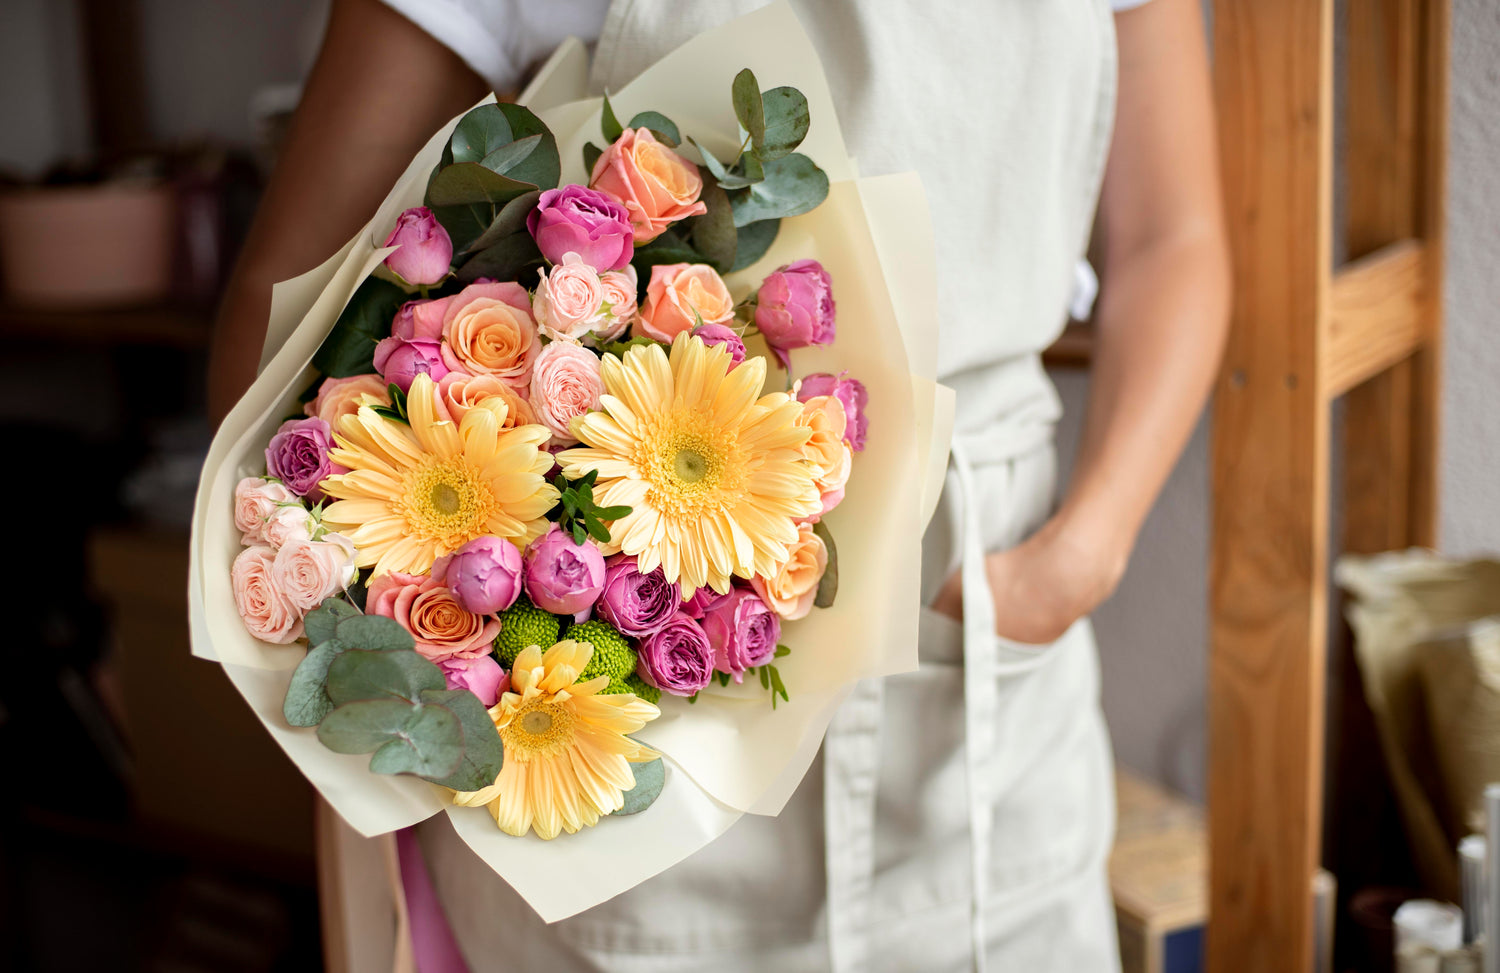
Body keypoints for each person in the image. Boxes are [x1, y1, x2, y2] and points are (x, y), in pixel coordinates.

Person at [208, 0, 1229, 969]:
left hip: (985, 620)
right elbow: (290, 293)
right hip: (620, 652)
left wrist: (1087, 551)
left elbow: (1170, 239)